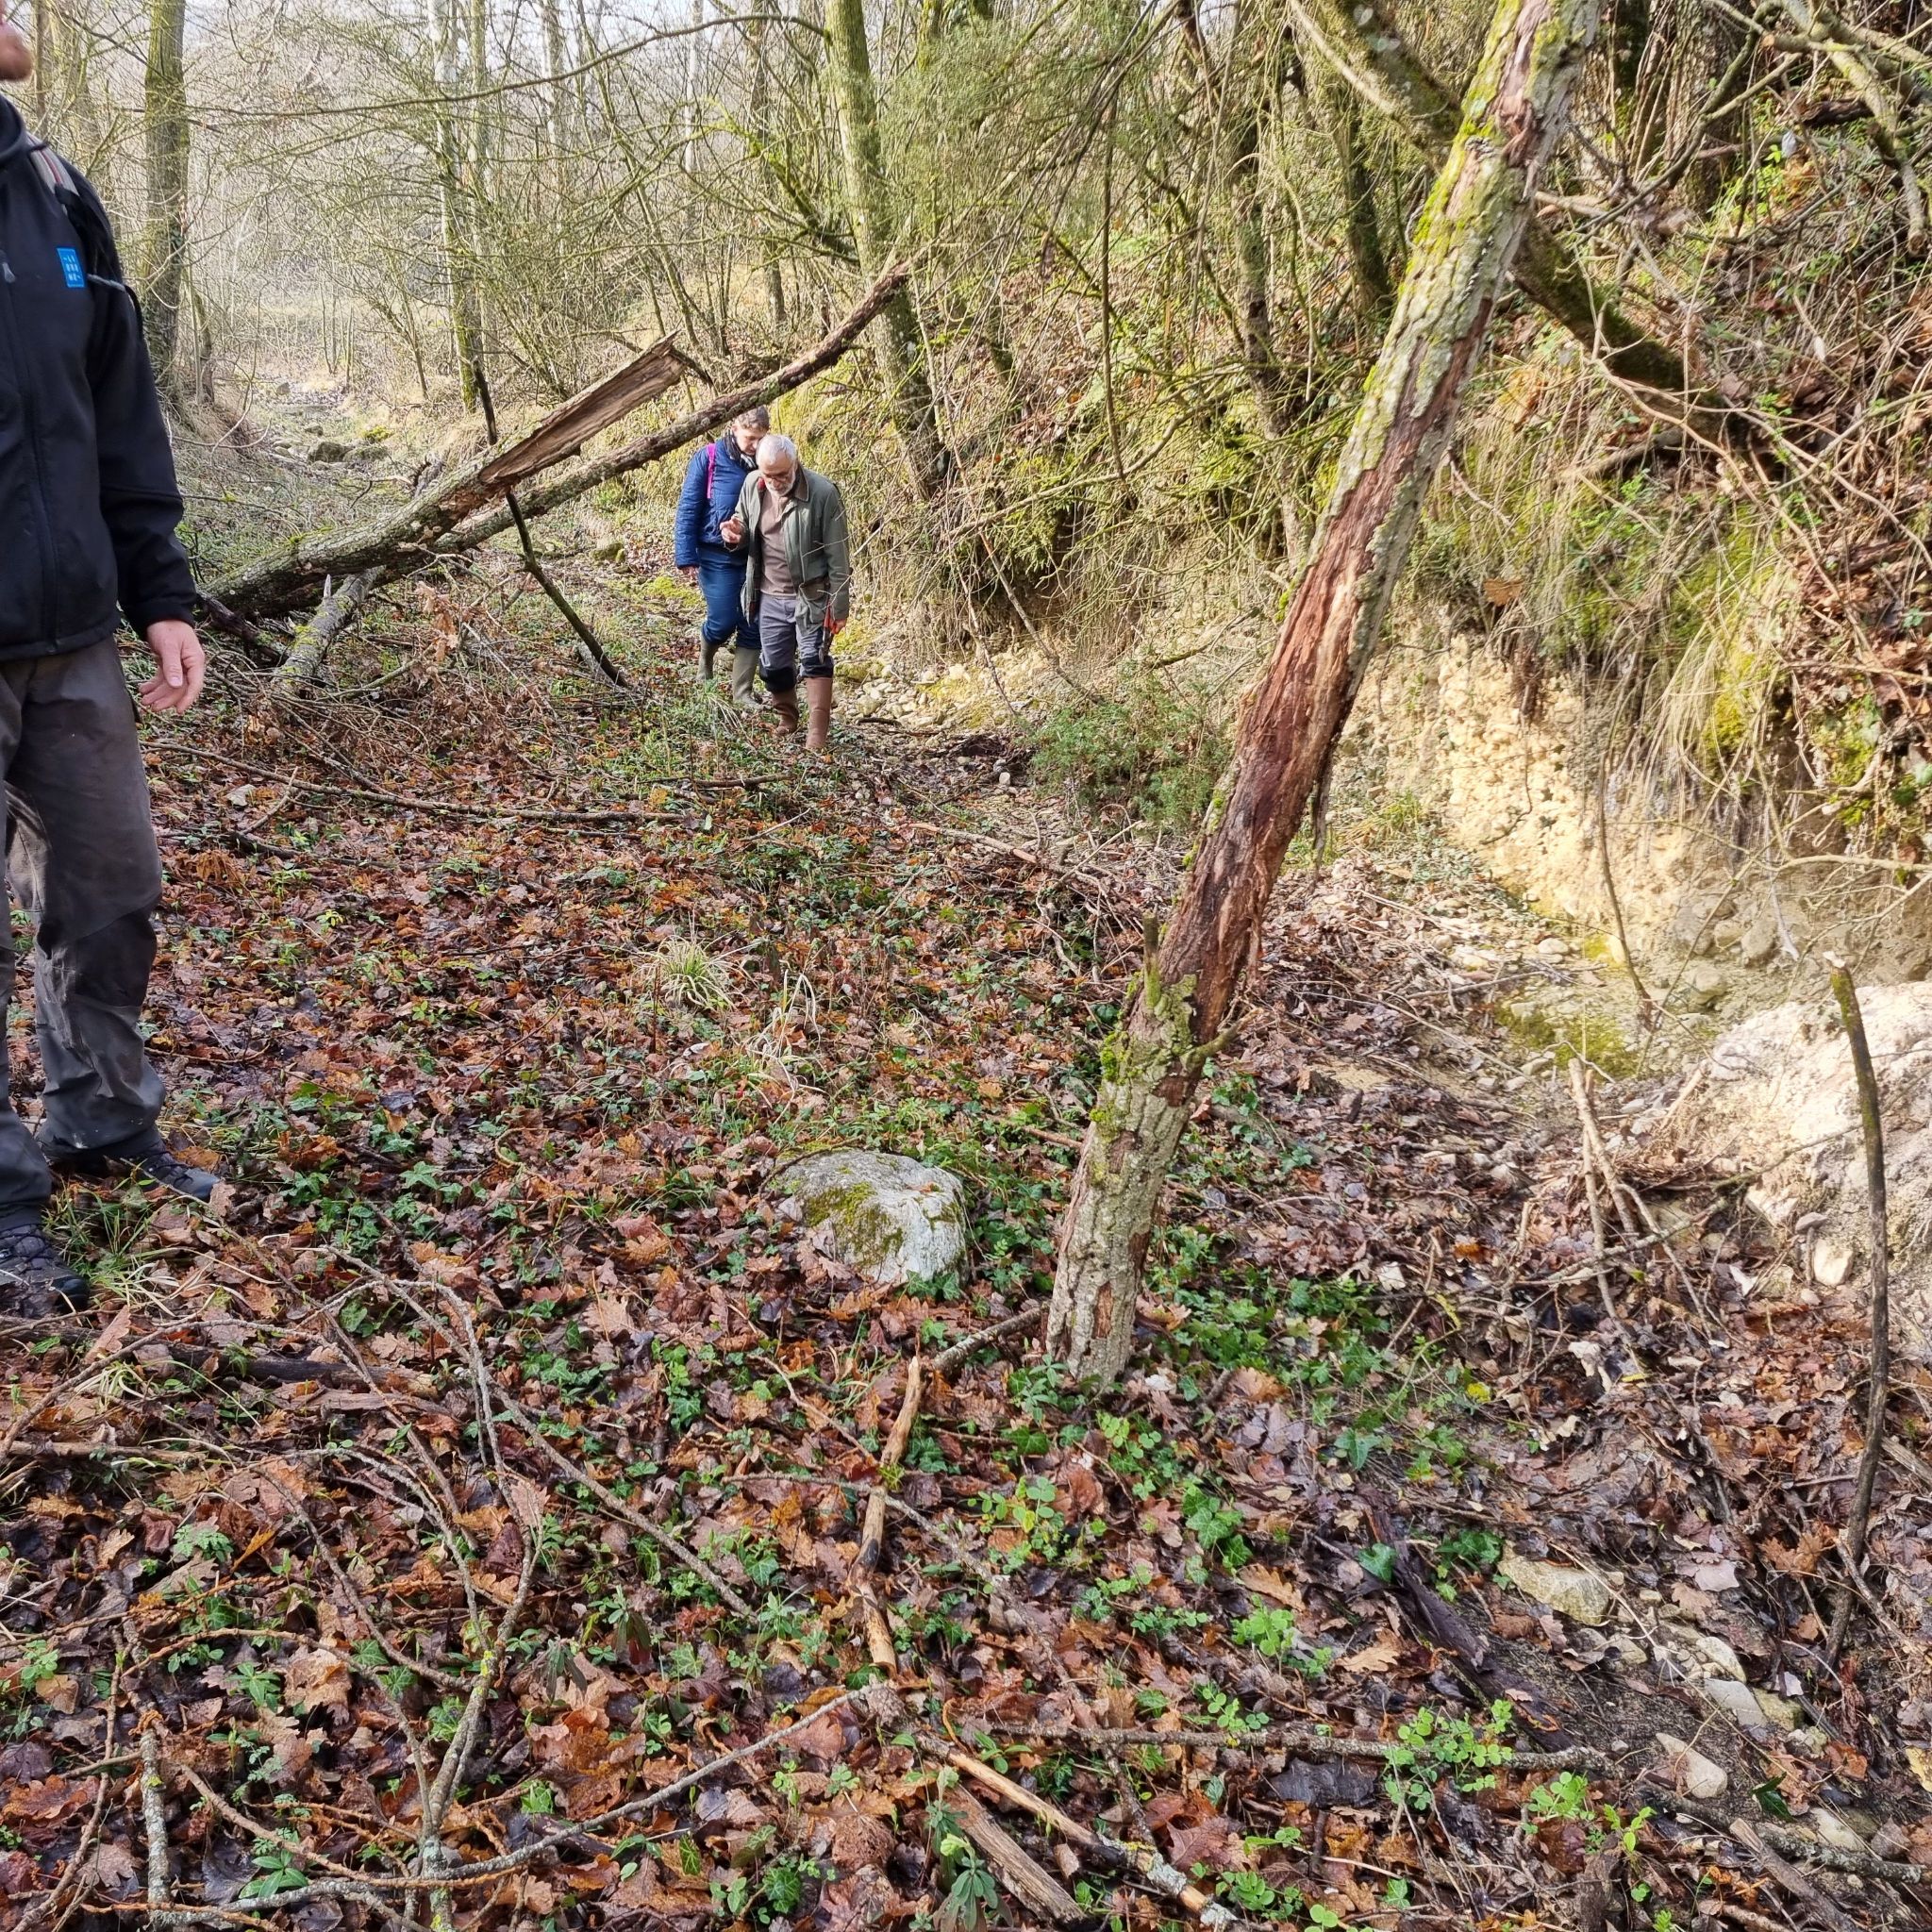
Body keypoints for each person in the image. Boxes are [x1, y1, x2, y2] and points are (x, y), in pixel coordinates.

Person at [0, 11, 218, 1319]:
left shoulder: (53, 188)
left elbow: (120, 411)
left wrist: (161, 596)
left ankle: (100, 1115)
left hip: (73, 632)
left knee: (110, 891)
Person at [719, 434, 849, 752]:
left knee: (815, 660)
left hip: (812, 594)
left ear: (795, 463)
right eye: (769, 475)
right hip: (768, 593)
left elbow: (838, 555)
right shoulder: (753, 485)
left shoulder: (823, 493)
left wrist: (839, 605)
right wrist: (734, 534)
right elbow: (743, 524)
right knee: (774, 664)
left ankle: (817, 734)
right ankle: (787, 718)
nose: (775, 481)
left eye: (782, 474)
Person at [674, 406, 768, 704]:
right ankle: (706, 659)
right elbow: (689, 507)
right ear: (734, 428)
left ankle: (742, 693)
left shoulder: (770, 459)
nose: (755, 445)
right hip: (716, 555)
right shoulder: (710, 458)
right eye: (750, 437)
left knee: (753, 622)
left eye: (761, 438)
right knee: (724, 619)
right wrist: (686, 556)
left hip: (759, 555)